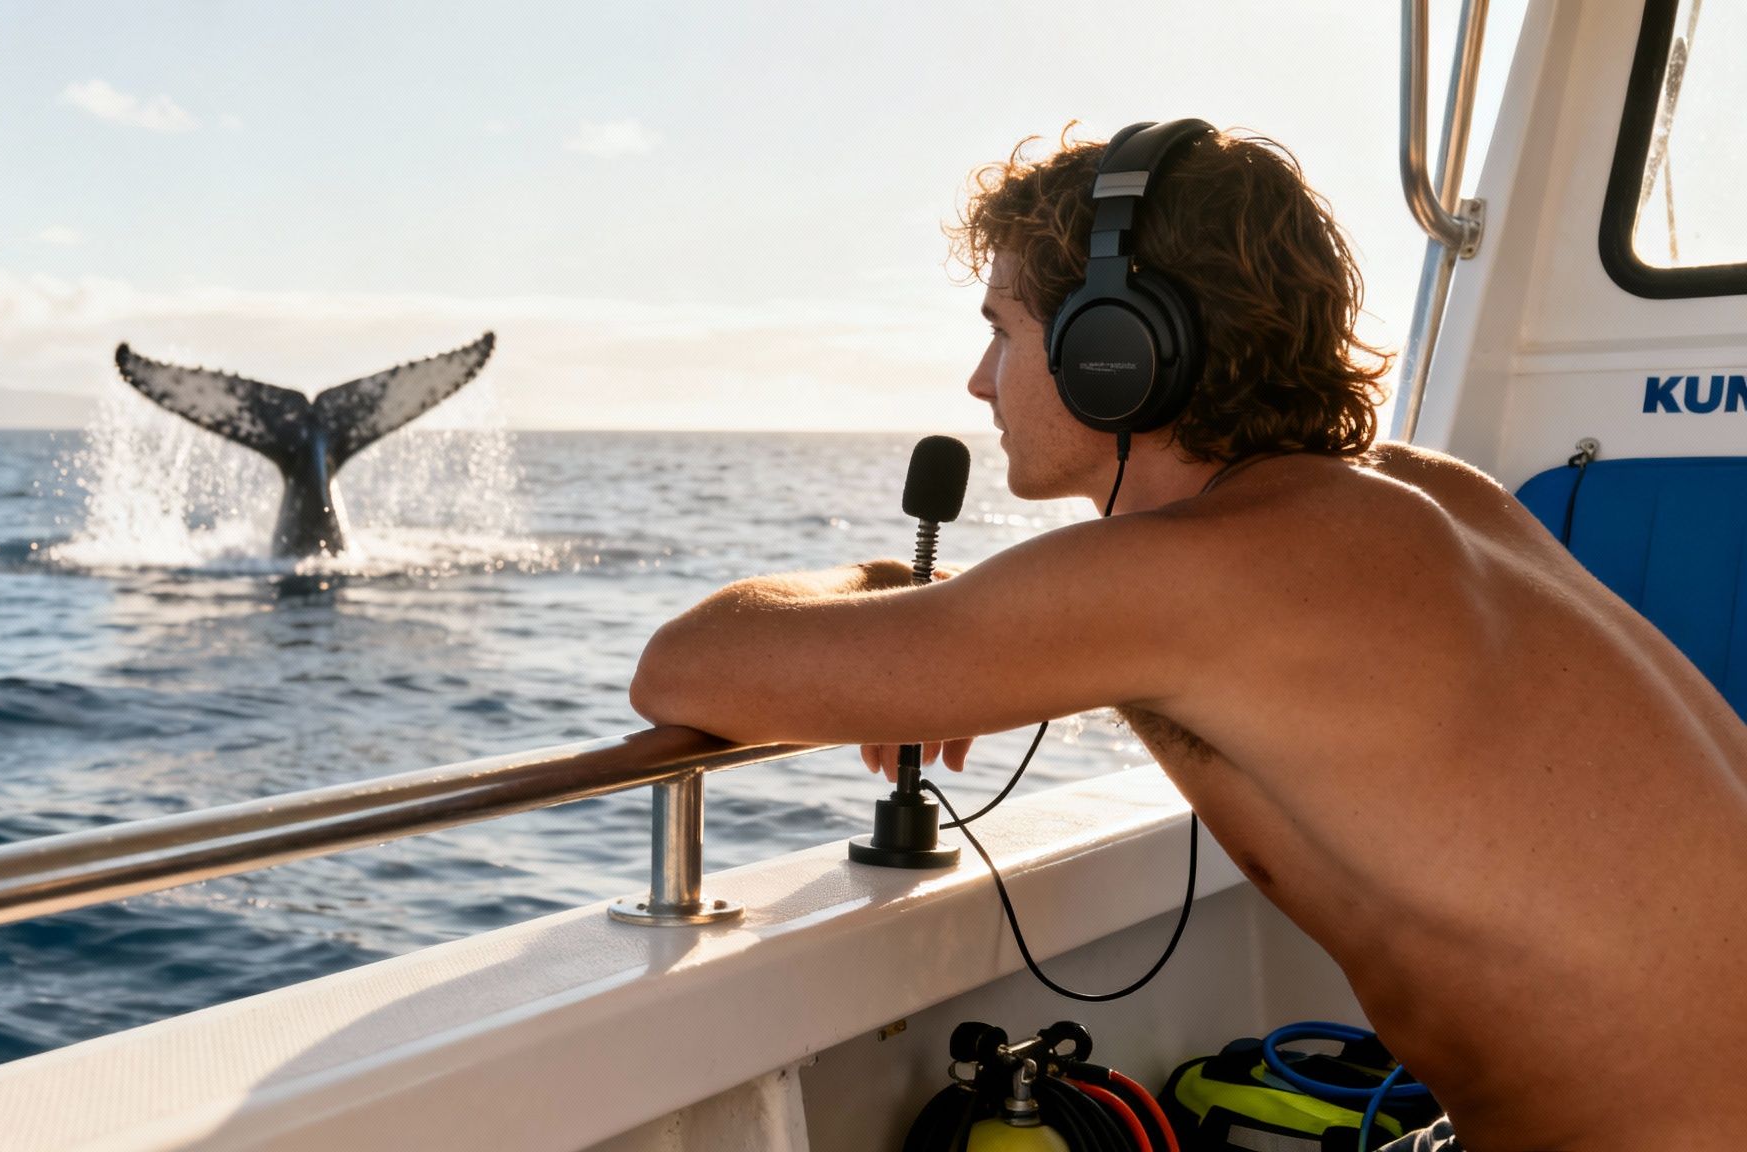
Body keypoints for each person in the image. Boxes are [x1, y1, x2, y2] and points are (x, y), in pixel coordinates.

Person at [627, 123, 1747, 1152]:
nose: (979, 382)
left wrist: (880, 590)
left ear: (1112, 348)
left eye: (1002, 331)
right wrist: (950, 634)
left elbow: (683, 666)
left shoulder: (1202, 575)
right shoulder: (1418, 497)